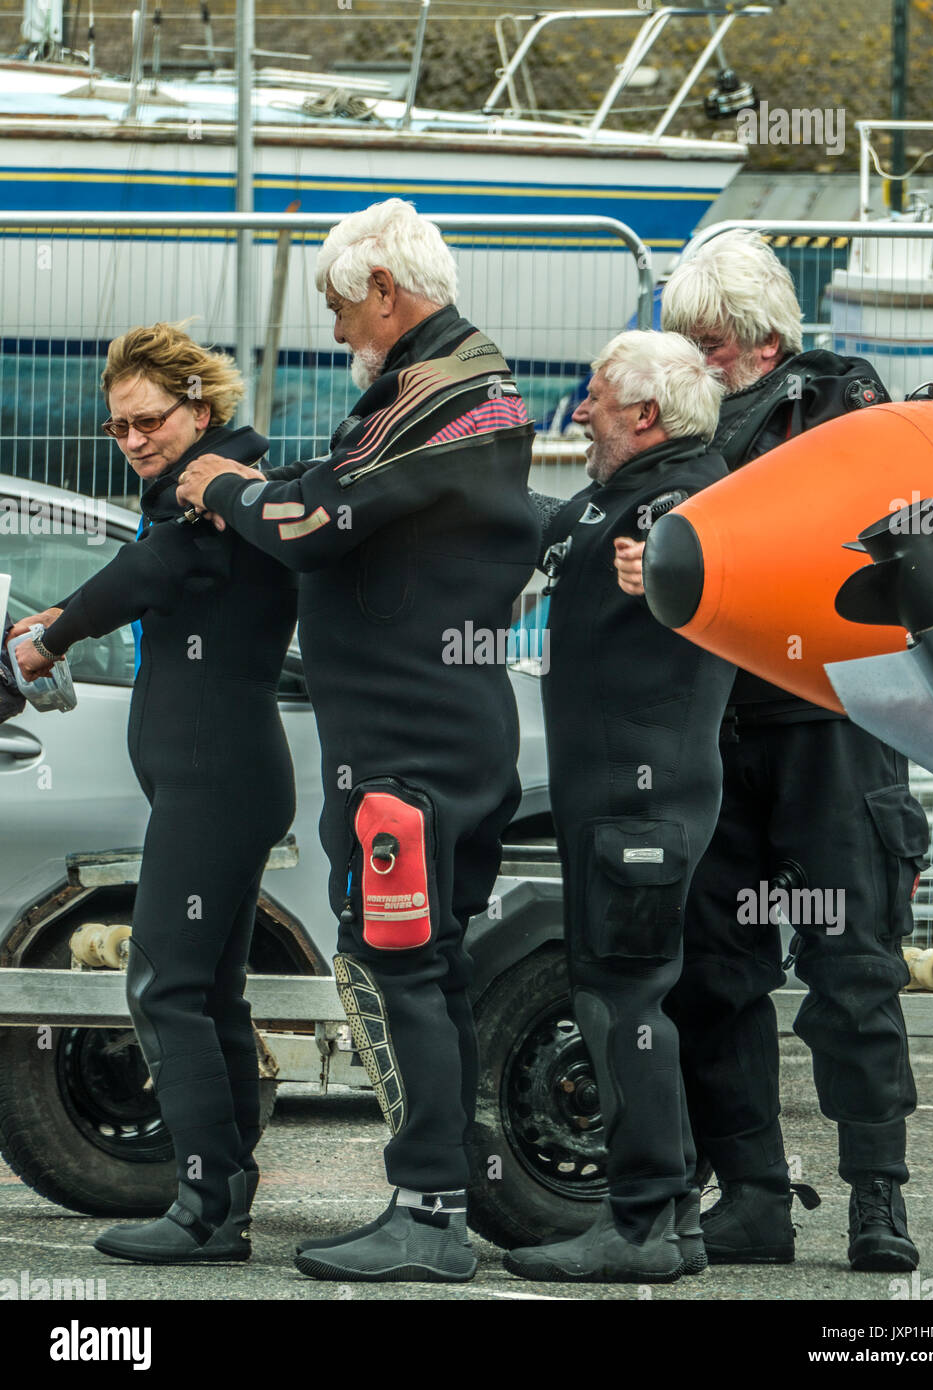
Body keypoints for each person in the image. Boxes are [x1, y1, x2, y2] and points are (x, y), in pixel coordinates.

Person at [176, 198, 540, 1283]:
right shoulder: (474, 387)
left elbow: (314, 519)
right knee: (433, 966)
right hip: (448, 730)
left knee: (392, 967)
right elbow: (344, 498)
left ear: (386, 290)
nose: (337, 332)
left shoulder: (439, 392)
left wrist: (221, 483)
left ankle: (427, 1211)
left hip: (407, 748)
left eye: (341, 307)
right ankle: (440, 1194)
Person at [614, 229, 927, 1272]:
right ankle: (754, 1194)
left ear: (751, 337)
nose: (696, 358)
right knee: (713, 968)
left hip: (835, 731)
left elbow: (887, 545)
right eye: (689, 340)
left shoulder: (847, 407)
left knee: (854, 971)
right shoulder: (692, 423)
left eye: (705, 339)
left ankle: (877, 1201)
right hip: (722, 730)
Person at [13, 323, 296, 1263]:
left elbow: (152, 573)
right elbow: (148, 577)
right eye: (117, 429)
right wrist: (54, 617)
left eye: (148, 422)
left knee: (165, 983)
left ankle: (207, 1206)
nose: (133, 441)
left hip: (218, 781)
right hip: (208, 780)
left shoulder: (219, 492)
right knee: (206, 992)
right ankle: (224, 1198)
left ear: (199, 410)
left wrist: (50, 638)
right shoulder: (187, 494)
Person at [502, 331, 735, 1283]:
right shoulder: (620, 497)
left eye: (596, 396)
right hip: (618, 802)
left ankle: (635, 1224)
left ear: (645, 413)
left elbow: (713, 558)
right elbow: (552, 526)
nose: (580, 411)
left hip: (643, 804)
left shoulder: (688, 502)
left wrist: (675, 568)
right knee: (624, 998)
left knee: (620, 1003)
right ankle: (670, 1217)